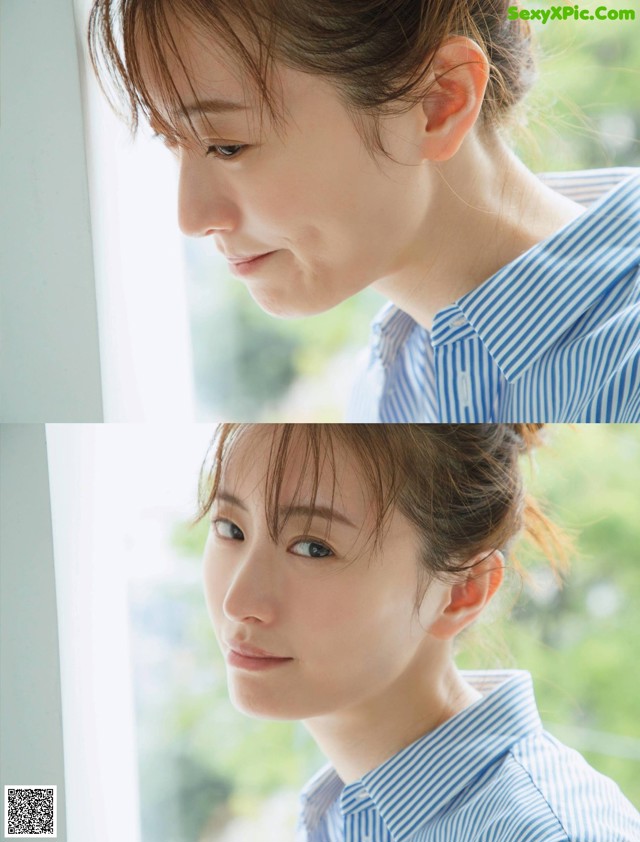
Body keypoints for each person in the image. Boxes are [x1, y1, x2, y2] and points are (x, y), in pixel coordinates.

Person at [88, 1, 640, 421]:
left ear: (438, 102)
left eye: (228, 145)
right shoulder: (388, 380)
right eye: (171, 143)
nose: (191, 218)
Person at [198, 423, 639, 841]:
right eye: (229, 528)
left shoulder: (543, 831)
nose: (237, 603)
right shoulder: (341, 813)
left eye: (314, 548)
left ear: (463, 590)